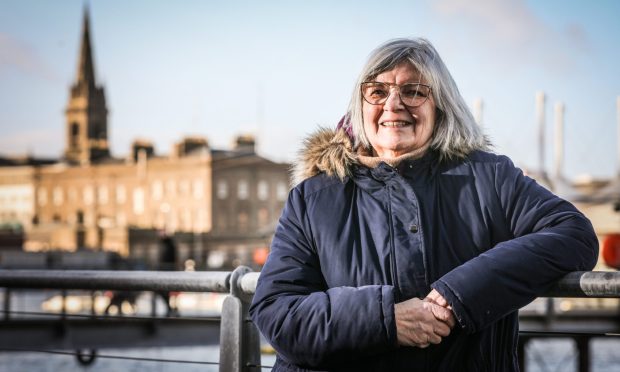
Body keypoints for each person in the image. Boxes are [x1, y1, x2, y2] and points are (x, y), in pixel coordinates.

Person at [249, 38, 598, 371]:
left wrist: (460, 293)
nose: (393, 104)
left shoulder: (489, 178)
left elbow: (573, 233)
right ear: (360, 105)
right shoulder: (314, 198)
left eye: (413, 91)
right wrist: (387, 320)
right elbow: (277, 311)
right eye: (377, 91)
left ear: (440, 105)